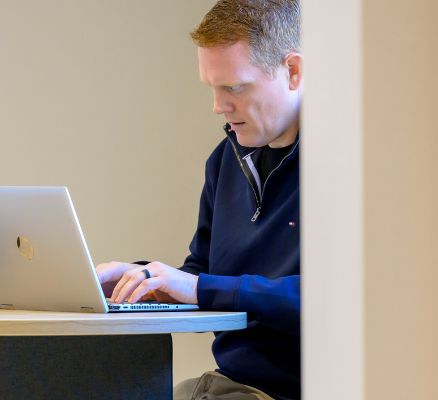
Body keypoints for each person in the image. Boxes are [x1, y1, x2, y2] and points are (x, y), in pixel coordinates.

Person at [94, 1, 302, 399]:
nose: (218, 107)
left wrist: (201, 288)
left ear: (292, 71)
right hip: (229, 383)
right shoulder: (226, 160)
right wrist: (148, 283)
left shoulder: (346, 171)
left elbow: (332, 303)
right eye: (212, 88)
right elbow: (202, 272)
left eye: (234, 88)